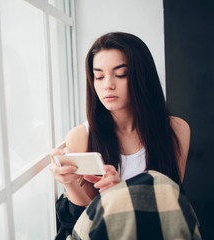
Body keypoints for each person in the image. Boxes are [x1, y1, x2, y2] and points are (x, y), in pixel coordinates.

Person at [49, 32, 199, 239]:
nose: (107, 85)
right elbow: (84, 225)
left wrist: (124, 194)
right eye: (99, 76)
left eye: (120, 74)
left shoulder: (176, 130)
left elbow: (171, 200)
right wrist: (70, 183)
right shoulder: (81, 136)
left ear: (142, 76)